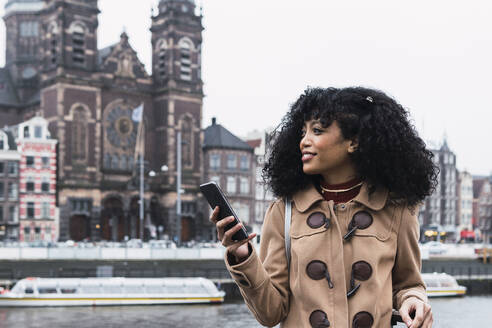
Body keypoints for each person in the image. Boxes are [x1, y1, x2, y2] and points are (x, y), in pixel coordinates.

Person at [210, 87, 436, 328]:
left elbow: (408, 283)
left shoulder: (397, 209)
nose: (304, 142)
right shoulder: (283, 212)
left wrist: (414, 299)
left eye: (317, 131)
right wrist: (243, 255)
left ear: (354, 142)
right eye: (302, 132)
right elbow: (270, 313)